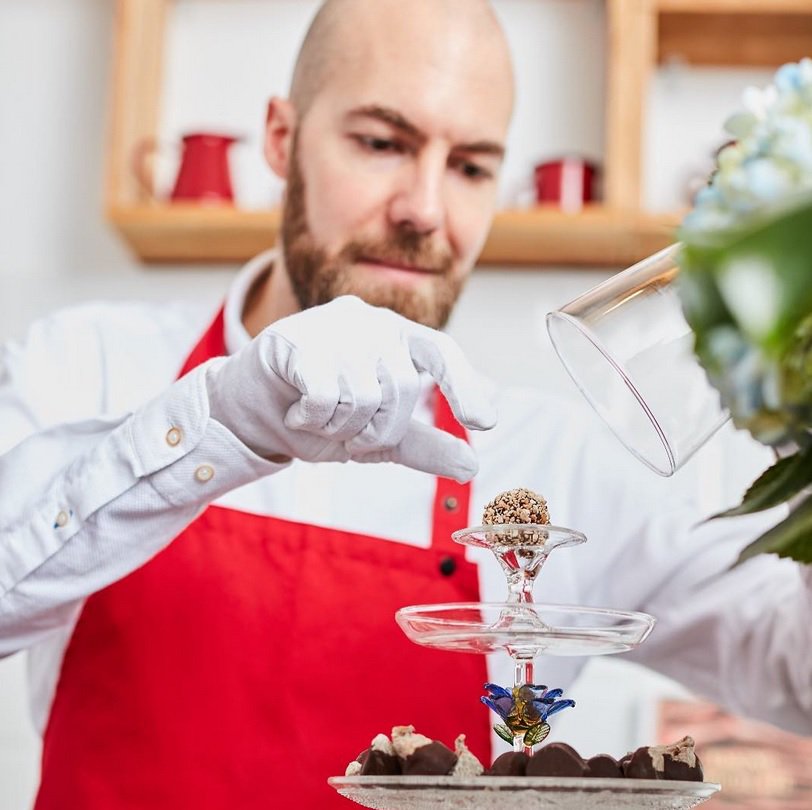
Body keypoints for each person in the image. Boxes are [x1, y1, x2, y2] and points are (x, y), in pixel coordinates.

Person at [1, 0, 810, 807]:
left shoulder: (556, 470)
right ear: (282, 140)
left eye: (471, 166)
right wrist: (217, 426)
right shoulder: (85, 363)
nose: (425, 209)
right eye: (382, 143)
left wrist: (798, 412)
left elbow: (796, 675)